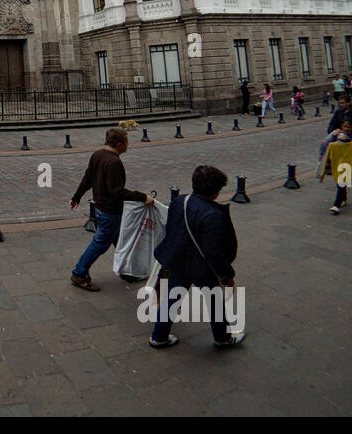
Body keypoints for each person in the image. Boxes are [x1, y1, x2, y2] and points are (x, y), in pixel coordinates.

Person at [147, 164, 244, 348]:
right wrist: (227, 275)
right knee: (214, 300)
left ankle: (159, 336)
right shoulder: (213, 214)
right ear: (215, 191)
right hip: (201, 267)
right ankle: (222, 338)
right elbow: (213, 251)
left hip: (177, 260)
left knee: (172, 298)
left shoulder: (180, 201)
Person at [68, 127, 152, 291]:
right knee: (100, 243)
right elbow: (117, 191)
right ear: (120, 144)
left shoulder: (97, 154)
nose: (129, 145)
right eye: (127, 142)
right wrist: (143, 197)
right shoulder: (114, 162)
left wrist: (76, 197)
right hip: (110, 211)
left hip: (102, 207)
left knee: (122, 241)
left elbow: (87, 179)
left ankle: (128, 270)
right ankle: (79, 273)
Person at [318, 122, 352, 215]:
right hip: (337, 165)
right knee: (341, 184)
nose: (346, 129)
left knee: (341, 183)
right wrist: (333, 134)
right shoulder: (335, 137)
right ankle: (343, 198)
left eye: (348, 127)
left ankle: (336, 205)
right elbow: (324, 145)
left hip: (349, 165)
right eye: (344, 126)